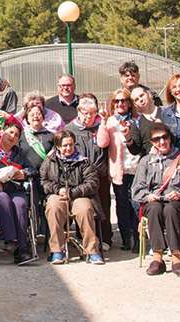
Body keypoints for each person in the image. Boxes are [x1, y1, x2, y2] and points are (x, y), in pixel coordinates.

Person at [132, 123, 180, 278]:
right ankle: (157, 258)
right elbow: (136, 189)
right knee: (155, 208)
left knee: (170, 209)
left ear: (170, 138)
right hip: (155, 202)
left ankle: (176, 258)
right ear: (152, 142)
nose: (162, 142)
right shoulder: (146, 161)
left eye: (165, 137)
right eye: (157, 139)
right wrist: (148, 196)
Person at [41, 129, 104, 265]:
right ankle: (57, 250)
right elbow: (43, 182)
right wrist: (58, 190)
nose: (68, 148)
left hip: (79, 195)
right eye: (65, 145)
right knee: (53, 207)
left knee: (85, 209)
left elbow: (92, 183)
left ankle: (92, 250)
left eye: (71, 144)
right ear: (58, 146)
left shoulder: (84, 162)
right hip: (58, 194)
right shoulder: (49, 161)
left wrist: (72, 192)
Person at [0, 124, 36, 265]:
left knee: (20, 204)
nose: (13, 136)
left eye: (16, 135)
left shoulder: (19, 153)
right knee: (3, 198)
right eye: (10, 132)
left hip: (14, 189)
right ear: (2, 132)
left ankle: (23, 250)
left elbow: (32, 169)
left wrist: (23, 173)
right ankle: (11, 240)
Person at [97, 88, 143, 251]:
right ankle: (126, 239)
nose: (120, 104)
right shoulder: (110, 122)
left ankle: (138, 239)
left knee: (136, 205)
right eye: (116, 101)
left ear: (129, 103)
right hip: (119, 171)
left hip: (137, 169)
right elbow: (102, 143)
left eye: (123, 100)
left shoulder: (137, 120)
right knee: (122, 205)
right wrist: (103, 122)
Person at [65, 94, 112, 248]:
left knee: (103, 206)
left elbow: (105, 145)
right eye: (85, 113)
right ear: (79, 111)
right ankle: (83, 238)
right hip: (81, 176)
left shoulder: (101, 126)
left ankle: (105, 239)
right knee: (84, 207)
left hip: (100, 174)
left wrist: (103, 122)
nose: (88, 117)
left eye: (92, 113)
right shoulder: (70, 129)